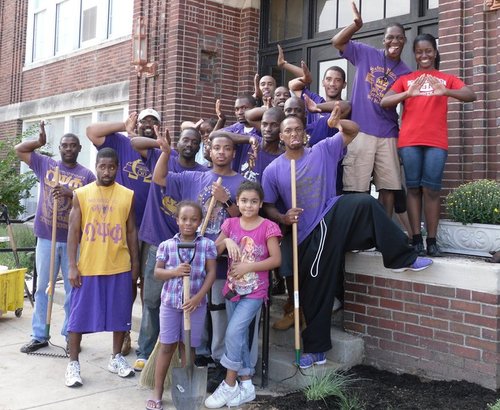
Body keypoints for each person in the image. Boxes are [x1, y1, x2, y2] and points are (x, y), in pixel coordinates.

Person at [261, 107, 432, 368]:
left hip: (331, 214)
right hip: (306, 235)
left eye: (298, 129)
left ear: (305, 134)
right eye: (288, 131)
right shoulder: (273, 169)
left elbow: (353, 130)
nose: (293, 133)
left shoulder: (323, 149)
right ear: (281, 137)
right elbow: (268, 206)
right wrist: (283, 218)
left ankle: (402, 256)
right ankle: (316, 350)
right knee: (315, 290)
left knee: (364, 202)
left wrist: (337, 121)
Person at [152, 132, 245, 391]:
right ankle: (198, 358)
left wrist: (226, 199)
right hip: (187, 258)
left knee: (215, 310)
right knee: (193, 315)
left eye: (227, 148)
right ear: (209, 150)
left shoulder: (240, 181)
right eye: (216, 148)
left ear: (233, 153)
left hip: (220, 259)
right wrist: (165, 153)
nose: (222, 152)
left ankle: (217, 361)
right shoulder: (194, 176)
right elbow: (160, 178)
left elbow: (240, 219)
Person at [380, 33, 476, 257]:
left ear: (435, 52)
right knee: (413, 188)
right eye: (419, 52)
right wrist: (408, 93)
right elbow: (385, 101)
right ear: (414, 55)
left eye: (428, 51)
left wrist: (447, 91)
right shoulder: (407, 78)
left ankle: (432, 241)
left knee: (431, 190)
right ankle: (416, 240)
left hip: (436, 142)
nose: (424, 55)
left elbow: (470, 94)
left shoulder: (445, 78)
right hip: (410, 141)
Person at [130, 127, 208, 371]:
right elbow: (135, 142)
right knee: (152, 299)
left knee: (186, 302)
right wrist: (162, 147)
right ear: (179, 142)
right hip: (158, 242)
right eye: (185, 139)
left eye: (194, 141)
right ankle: (146, 349)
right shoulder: (163, 157)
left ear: (199, 147)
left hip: (187, 248)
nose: (189, 144)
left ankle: (186, 355)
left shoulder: (202, 174)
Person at [86, 108, 162, 355]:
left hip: (153, 228)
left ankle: (149, 340)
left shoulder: (160, 153)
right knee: (127, 283)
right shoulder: (120, 142)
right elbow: (91, 131)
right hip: (122, 226)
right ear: (136, 124)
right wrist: (123, 126)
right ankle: (125, 333)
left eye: (154, 121)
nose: (148, 124)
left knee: (149, 288)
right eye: (144, 120)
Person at [16, 121, 96, 354]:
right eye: (64, 145)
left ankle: (71, 334)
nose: (68, 149)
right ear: (59, 148)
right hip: (46, 237)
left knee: (74, 289)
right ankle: (39, 334)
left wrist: (71, 194)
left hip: (73, 241)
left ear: (80, 149)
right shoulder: (46, 164)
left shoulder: (87, 175)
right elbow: (20, 150)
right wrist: (39, 143)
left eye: (73, 146)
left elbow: (91, 206)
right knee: (42, 287)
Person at [65, 148, 139, 387]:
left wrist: (135, 264)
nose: (106, 171)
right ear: (95, 166)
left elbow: (131, 232)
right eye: (102, 166)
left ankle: (115, 358)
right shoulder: (81, 194)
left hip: (119, 265)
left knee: (120, 317)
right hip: (89, 266)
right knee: (77, 318)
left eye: (111, 167)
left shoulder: (128, 195)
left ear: (117, 168)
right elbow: (73, 232)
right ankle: (73, 363)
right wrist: (72, 266)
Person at [204, 181, 281, 408]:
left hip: (256, 291)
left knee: (233, 332)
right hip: (232, 290)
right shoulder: (230, 224)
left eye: (254, 201)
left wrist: (249, 267)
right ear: (237, 202)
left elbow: (276, 260)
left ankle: (229, 385)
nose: (248, 205)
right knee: (240, 338)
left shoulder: (268, 227)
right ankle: (246, 384)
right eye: (244, 201)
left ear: (260, 203)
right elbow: (213, 250)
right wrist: (226, 240)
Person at [332, 2, 411, 216]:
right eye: (390, 37)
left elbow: (408, 108)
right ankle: (356, 233)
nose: (394, 41)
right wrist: (356, 25)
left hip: (388, 133)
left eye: (399, 37)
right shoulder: (365, 53)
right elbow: (337, 41)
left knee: (389, 188)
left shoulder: (406, 72)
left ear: (404, 41)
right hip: (360, 130)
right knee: (356, 187)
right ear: (384, 40)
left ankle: (382, 233)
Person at [146, 201, 216, 410]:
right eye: (184, 219)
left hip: (196, 305)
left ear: (200, 221)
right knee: (167, 346)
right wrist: (175, 272)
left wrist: (197, 298)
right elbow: (158, 273)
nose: (188, 223)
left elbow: (211, 273)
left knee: (188, 346)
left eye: (194, 219)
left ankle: (187, 385)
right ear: (177, 220)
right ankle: (157, 391)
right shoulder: (166, 245)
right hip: (170, 303)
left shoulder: (206, 245)